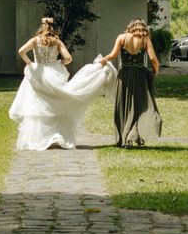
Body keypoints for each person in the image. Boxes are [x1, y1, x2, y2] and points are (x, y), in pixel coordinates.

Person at [9, 17, 116, 150]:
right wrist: (59, 63)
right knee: (57, 103)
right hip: (53, 72)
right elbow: (68, 58)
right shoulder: (57, 41)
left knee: (39, 105)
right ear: (54, 27)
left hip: (39, 72)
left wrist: (30, 63)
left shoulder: (35, 40)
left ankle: (38, 138)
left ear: (41, 26)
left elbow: (21, 51)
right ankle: (57, 135)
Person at [100, 18, 162, 147]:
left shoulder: (122, 38)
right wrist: (156, 71)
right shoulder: (145, 40)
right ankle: (131, 135)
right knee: (139, 105)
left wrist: (103, 60)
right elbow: (152, 58)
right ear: (143, 28)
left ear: (130, 27)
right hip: (140, 75)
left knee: (123, 105)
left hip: (124, 76)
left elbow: (113, 55)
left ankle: (125, 137)